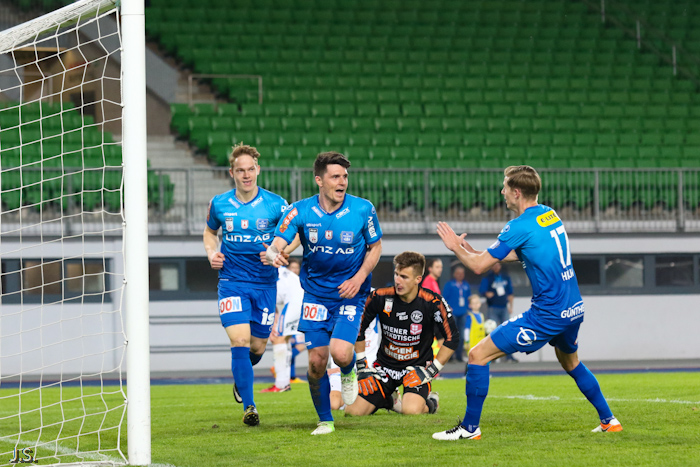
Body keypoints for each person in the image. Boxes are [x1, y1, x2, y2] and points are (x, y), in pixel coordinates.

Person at [433, 165, 622, 441]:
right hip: (573, 308)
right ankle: (609, 420)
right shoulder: (548, 214)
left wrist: (455, 248)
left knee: (477, 355)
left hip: (547, 314)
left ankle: (469, 429)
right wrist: (474, 251)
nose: (502, 192)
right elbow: (524, 251)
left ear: (517, 192)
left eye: (505, 187)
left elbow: (479, 267)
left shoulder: (518, 225)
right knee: (571, 362)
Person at [265, 151, 383, 435]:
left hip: (350, 293)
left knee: (340, 353)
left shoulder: (363, 209)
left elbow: (376, 247)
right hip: (316, 295)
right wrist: (273, 253)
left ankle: (349, 370)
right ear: (319, 180)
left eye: (345, 176)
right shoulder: (300, 210)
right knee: (316, 361)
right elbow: (278, 242)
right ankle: (325, 421)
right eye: (335, 177)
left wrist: (359, 278)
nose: (342, 182)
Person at [203, 143, 294, 426]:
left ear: (258, 170)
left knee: (257, 347)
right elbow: (210, 232)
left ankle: (240, 378)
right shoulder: (219, 203)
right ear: (232, 173)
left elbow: (294, 233)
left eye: (250, 169)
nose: (246, 175)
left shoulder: (276, 204)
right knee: (239, 341)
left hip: (265, 285)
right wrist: (212, 254)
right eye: (240, 170)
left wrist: (279, 252)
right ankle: (250, 406)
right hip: (232, 282)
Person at [345, 251, 457, 417]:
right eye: (396, 274)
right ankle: (390, 400)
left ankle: (431, 403)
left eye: (404, 277)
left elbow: (452, 338)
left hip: (416, 369)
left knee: (410, 411)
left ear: (418, 279)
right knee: (352, 412)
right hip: (385, 368)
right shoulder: (379, 297)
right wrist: (362, 366)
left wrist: (431, 371)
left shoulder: (433, 302)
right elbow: (358, 328)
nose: (398, 280)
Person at [261, 261, 304, 393]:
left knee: (278, 339)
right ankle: (284, 382)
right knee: (284, 341)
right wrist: (275, 323)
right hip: (300, 299)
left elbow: (268, 299)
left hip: (295, 302)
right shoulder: (277, 269)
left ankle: (280, 384)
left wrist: (272, 325)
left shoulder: (263, 273)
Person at [479, 263, 518, 362]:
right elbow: (482, 290)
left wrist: (511, 306)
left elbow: (510, 293)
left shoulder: (505, 277)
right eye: (494, 265)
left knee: (507, 331)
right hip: (493, 307)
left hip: (504, 307)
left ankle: (509, 356)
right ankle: (491, 356)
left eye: (498, 265)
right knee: (492, 333)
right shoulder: (487, 277)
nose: (496, 267)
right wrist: (487, 293)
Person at [441, 265, 471, 362]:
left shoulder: (466, 285)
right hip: (452, 313)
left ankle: (459, 356)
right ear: (454, 274)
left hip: (463, 313)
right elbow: (444, 298)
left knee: (461, 335)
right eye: (458, 273)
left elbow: (468, 298)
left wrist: (469, 309)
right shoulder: (449, 284)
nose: (460, 275)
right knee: (451, 335)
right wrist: (447, 308)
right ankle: (450, 356)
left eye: (462, 273)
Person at [463, 294, 486, 373]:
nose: (476, 305)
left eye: (477, 302)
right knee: (472, 359)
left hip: (481, 342)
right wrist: (467, 341)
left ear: (480, 304)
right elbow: (466, 330)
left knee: (481, 358)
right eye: (474, 303)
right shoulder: (470, 316)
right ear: (470, 305)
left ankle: (480, 373)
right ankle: (466, 373)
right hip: (472, 342)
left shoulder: (482, 315)